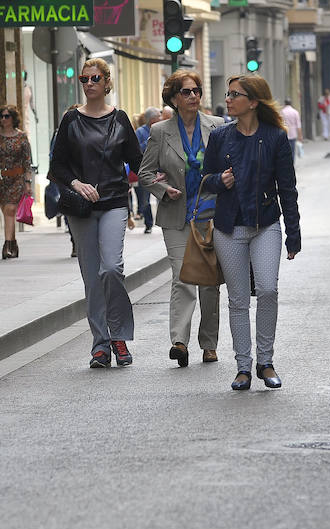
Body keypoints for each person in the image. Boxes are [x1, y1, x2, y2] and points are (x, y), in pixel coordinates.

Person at [200, 74, 301, 390]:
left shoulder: (275, 137)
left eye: (235, 94)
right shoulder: (220, 137)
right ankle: (243, 367)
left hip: (266, 225)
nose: (227, 99)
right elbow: (205, 181)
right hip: (229, 227)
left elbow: (287, 188)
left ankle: (266, 362)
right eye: (227, 94)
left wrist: (293, 233)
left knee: (268, 289)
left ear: (253, 102)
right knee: (239, 299)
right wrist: (220, 181)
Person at [48, 57, 142, 368]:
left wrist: (163, 181)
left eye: (95, 78)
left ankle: (119, 335)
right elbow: (57, 166)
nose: (89, 84)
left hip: (114, 201)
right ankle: (100, 344)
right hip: (81, 207)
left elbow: (137, 163)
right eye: (84, 79)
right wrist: (77, 182)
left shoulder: (120, 119)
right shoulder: (71, 121)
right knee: (91, 277)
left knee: (111, 269)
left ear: (107, 82)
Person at [138, 70, 225, 367]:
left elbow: (229, 165)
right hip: (176, 216)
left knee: (209, 281)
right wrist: (164, 190)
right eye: (186, 92)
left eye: (197, 91)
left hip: (209, 216)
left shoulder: (217, 127)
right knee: (182, 276)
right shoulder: (161, 131)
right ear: (174, 98)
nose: (193, 96)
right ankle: (179, 341)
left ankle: (209, 344)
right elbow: (145, 174)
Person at [0, 104, 33, 259]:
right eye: (1, 116)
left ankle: (7, 245)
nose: (3, 119)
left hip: (16, 179)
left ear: (13, 118)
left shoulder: (21, 137)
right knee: (6, 211)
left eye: (7, 116)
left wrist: (27, 182)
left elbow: (27, 161)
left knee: (10, 210)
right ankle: (13, 242)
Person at [133, 106, 160, 233]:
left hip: (159, 170)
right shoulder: (140, 132)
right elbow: (136, 150)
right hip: (144, 170)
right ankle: (149, 223)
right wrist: (148, 142)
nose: (159, 119)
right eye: (157, 118)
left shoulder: (161, 130)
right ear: (151, 120)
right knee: (144, 200)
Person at [281, 98, 302, 163]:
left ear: (285, 103)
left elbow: (280, 124)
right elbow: (298, 125)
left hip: (284, 133)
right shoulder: (295, 112)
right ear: (291, 103)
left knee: (285, 150)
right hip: (293, 134)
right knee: (292, 150)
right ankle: (292, 164)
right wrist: (300, 136)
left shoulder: (282, 112)